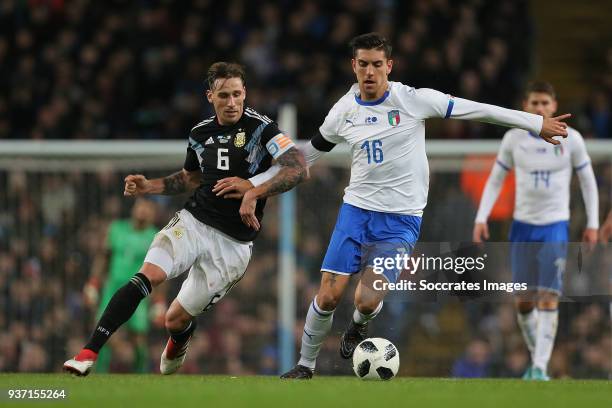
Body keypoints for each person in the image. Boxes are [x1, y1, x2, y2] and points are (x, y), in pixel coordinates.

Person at [260, 32, 570, 379]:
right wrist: (258, 183)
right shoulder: (343, 110)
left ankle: (358, 327)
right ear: (354, 66)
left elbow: (475, 110)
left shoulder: (413, 100)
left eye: (377, 65)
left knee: (366, 300)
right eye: (363, 64)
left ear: (388, 66)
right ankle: (305, 365)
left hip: (401, 219)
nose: (370, 72)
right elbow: (312, 152)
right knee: (329, 294)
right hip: (356, 211)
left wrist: (534, 122)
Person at [64, 61, 307, 376]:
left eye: (237, 94)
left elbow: (299, 166)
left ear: (245, 92)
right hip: (194, 221)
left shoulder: (261, 128)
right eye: (224, 96)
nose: (232, 103)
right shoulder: (199, 133)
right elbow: (191, 178)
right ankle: (87, 353)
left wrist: (253, 189)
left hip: (233, 245)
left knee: (174, 320)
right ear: (210, 96)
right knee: (147, 275)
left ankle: (179, 341)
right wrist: (149, 186)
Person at [473, 81, 599, 380]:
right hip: (522, 227)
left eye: (545, 103)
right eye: (534, 104)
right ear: (525, 107)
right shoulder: (514, 139)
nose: (540, 109)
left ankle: (540, 367)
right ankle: (536, 359)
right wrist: (482, 217)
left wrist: (593, 222)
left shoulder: (572, 139)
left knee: (548, 295)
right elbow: (495, 180)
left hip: (555, 226)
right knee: (524, 301)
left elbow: (588, 182)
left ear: (554, 106)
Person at [83, 199, 160, 373]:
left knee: (138, 338)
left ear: (153, 215)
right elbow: (104, 256)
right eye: (141, 207)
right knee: (102, 332)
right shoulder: (116, 228)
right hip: (112, 287)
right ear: (133, 209)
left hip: (138, 291)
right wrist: (93, 282)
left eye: (148, 208)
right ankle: (99, 375)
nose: (143, 211)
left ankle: (142, 375)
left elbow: (161, 269)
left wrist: (159, 300)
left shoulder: (156, 236)